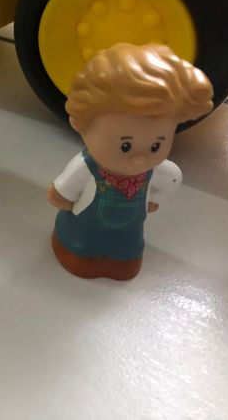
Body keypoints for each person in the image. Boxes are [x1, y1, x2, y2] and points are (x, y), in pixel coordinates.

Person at [47, 43, 213, 280]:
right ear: (80, 123)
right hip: (85, 223)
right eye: (125, 146)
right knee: (81, 245)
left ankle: (123, 257)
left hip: (130, 226)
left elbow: (172, 180)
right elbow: (68, 185)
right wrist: (62, 194)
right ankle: (77, 251)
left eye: (156, 146)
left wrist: (155, 199)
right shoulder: (87, 165)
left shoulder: (156, 171)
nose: (139, 158)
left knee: (127, 249)